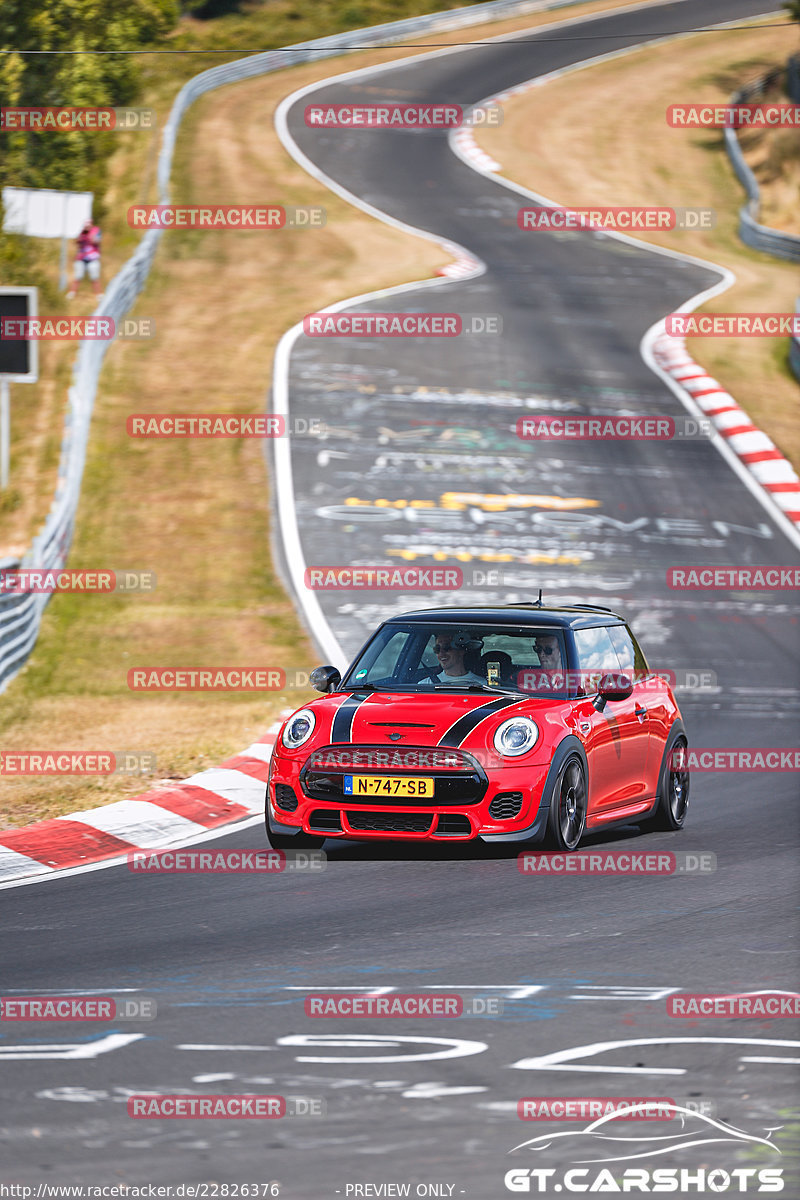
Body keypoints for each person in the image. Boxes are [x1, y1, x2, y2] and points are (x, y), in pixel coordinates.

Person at [67, 220, 103, 299]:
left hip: (93, 258)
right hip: (81, 258)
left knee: (95, 277)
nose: (87, 227)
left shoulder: (96, 230)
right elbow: (77, 242)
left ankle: (98, 295)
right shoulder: (82, 233)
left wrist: (91, 236)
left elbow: (97, 241)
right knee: (78, 276)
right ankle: (72, 294)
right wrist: (81, 238)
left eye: (88, 225)